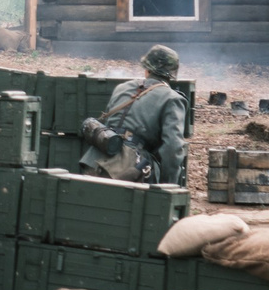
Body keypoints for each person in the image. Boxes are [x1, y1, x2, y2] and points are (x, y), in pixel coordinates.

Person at [80, 45, 189, 185]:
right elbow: (172, 149)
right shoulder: (172, 99)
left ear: (146, 70)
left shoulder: (121, 88)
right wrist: (168, 185)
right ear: (171, 76)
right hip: (131, 171)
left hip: (95, 161)